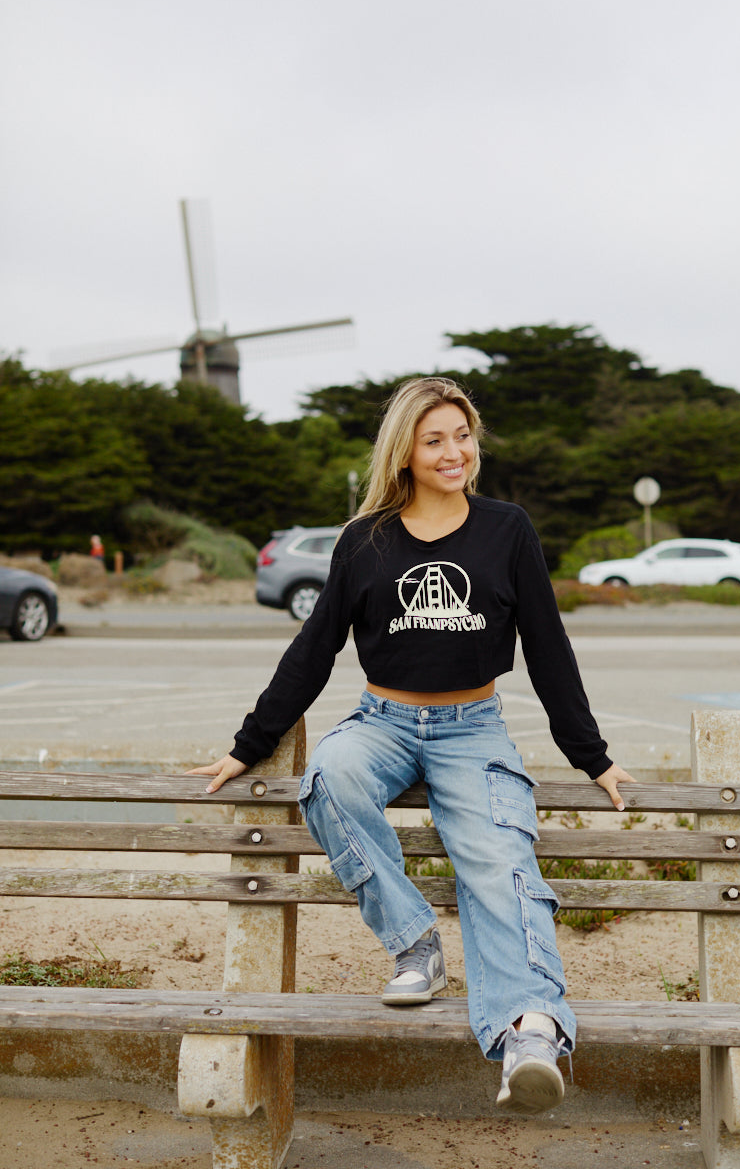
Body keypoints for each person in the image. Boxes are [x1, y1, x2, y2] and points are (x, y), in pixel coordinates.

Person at [186, 377, 633, 1116]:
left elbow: (549, 647)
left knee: (497, 862)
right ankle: (415, 945)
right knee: (329, 776)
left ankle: (531, 1029)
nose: (454, 451)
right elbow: (315, 645)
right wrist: (250, 742)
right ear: (405, 452)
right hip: (383, 723)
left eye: (463, 436)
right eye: (435, 439)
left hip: (473, 731)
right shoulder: (366, 539)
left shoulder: (507, 529)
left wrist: (593, 755)